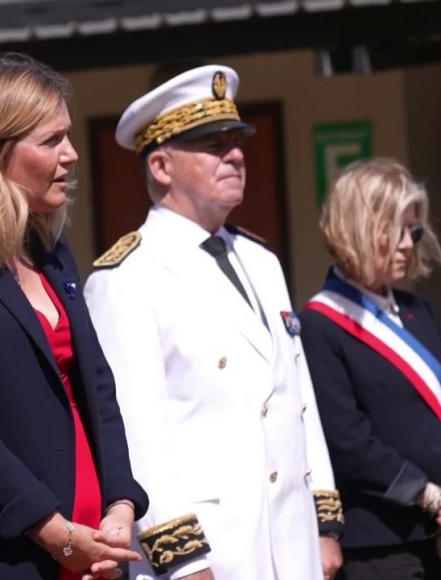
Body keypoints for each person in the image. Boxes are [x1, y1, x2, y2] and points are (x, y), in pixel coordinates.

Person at [84, 64, 345, 580]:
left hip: (291, 548)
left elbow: (299, 400)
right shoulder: (127, 277)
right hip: (211, 553)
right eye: (211, 144)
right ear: (161, 165)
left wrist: (325, 523)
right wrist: (181, 559)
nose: (235, 155)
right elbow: (139, 435)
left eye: (236, 141)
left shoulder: (261, 260)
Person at [0, 54, 148, 580]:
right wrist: (54, 532)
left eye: (67, 137)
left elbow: (98, 391)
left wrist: (121, 506)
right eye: (50, 141)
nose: (71, 155)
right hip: (15, 547)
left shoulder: (50, 248)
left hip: (97, 544)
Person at [298, 159, 441, 579]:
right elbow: (349, 441)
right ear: (357, 230)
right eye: (397, 231)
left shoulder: (418, 310)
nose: (409, 244)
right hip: (381, 544)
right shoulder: (319, 324)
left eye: (414, 231)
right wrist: (432, 498)